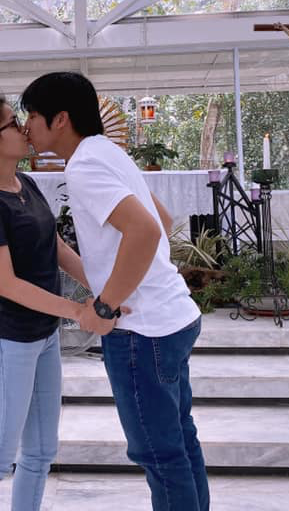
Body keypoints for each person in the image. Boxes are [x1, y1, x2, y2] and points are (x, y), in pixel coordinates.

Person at [20, 72, 209, 511]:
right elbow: (160, 221)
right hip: (172, 316)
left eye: (33, 115)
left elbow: (145, 229)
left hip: (142, 332)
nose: (27, 126)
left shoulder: (84, 165)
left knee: (159, 454)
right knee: (179, 442)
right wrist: (113, 283)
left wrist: (105, 305)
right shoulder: (107, 151)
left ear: (61, 119)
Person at [0, 95, 93, 511]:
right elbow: (8, 284)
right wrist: (76, 311)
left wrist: (100, 287)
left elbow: (54, 246)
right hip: (9, 340)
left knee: (40, 453)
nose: (24, 129)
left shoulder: (23, 183)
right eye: (13, 123)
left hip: (43, 335)